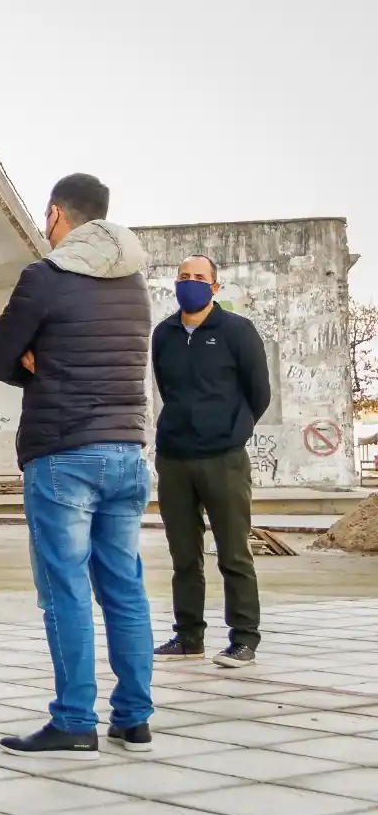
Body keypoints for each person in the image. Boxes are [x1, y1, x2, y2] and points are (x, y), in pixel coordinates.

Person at [0, 173, 155, 759]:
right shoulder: (135, 282)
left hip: (63, 453)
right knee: (125, 589)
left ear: (56, 214)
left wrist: (36, 362)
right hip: (128, 452)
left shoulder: (45, 278)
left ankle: (75, 719)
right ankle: (133, 720)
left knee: (66, 589)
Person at [152, 254, 270, 668]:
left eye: (199, 277)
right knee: (184, 555)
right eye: (183, 277)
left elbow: (260, 393)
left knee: (233, 553)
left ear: (214, 287)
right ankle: (188, 636)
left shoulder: (237, 331)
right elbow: (166, 388)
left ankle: (244, 639)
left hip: (224, 458)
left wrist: (231, 429)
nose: (190, 283)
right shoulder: (162, 334)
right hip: (174, 459)